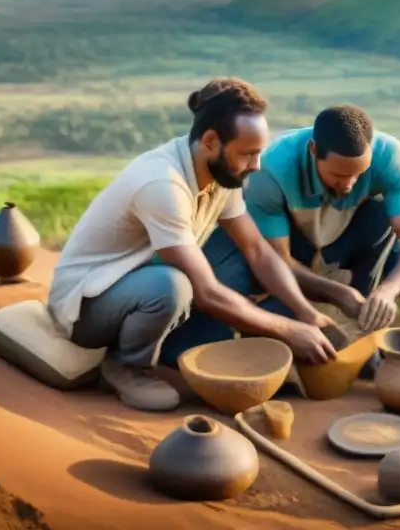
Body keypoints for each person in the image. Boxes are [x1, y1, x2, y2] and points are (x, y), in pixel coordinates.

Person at [46, 77, 338, 412]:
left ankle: (165, 339)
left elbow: (257, 250)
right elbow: (207, 292)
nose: (256, 165)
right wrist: (290, 331)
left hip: (134, 289)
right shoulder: (161, 184)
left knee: (231, 274)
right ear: (212, 141)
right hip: (86, 307)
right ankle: (127, 366)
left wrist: (306, 313)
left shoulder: (222, 174)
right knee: (175, 285)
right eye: (249, 154)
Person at [159, 104, 400, 363]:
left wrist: (388, 290)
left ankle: (361, 323)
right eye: (338, 175)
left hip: (344, 238)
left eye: (358, 174)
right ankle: (275, 319)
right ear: (313, 150)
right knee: (221, 292)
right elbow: (275, 259)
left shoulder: (390, 155)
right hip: (288, 243)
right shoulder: (272, 169)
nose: (349, 185)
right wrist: (339, 295)